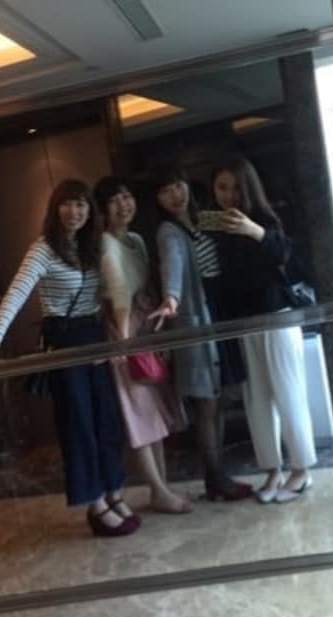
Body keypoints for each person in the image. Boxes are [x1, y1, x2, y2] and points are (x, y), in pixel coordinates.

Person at [0, 179, 139, 537]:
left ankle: (114, 490)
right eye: (67, 204)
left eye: (82, 205)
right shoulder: (42, 249)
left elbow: (117, 288)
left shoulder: (93, 246)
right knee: (78, 424)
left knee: (106, 419)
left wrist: (120, 337)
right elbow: (17, 292)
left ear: (90, 210)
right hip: (63, 340)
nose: (75, 212)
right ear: (55, 209)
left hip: (94, 336)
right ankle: (95, 503)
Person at [210, 154, 317, 503]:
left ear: (249, 188)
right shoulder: (216, 227)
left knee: (288, 393)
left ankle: (301, 471)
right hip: (244, 321)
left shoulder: (267, 218)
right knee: (256, 399)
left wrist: (255, 232)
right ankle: (272, 471)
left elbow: (290, 257)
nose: (229, 195)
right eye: (222, 187)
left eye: (236, 188)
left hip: (277, 315)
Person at [148, 165, 252, 501]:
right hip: (196, 321)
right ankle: (216, 478)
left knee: (217, 401)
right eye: (165, 191)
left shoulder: (204, 219)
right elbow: (172, 265)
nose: (175, 195)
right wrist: (171, 298)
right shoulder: (168, 232)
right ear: (158, 200)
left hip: (218, 313)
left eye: (177, 186)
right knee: (206, 404)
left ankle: (216, 477)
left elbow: (242, 226)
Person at [94, 176, 192, 514]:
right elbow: (119, 296)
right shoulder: (106, 243)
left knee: (154, 413)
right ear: (103, 209)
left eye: (127, 197)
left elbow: (145, 288)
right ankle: (158, 489)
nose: (123, 205)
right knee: (138, 414)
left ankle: (161, 488)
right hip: (123, 333)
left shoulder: (135, 240)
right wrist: (124, 344)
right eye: (114, 200)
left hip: (143, 328)